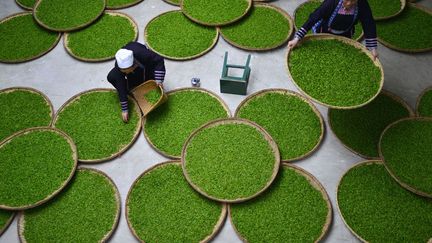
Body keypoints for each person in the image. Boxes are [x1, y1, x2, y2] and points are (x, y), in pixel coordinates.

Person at [288, 0, 378, 60]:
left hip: (346, 33)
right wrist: (297, 38)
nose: (349, 3)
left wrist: (372, 48)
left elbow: (368, 23)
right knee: (322, 54)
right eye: (346, 0)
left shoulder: (362, 4)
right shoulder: (331, 2)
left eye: (353, 0)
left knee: (340, 56)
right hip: (325, 31)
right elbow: (314, 18)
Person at [108, 42, 166, 122]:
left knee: (148, 76)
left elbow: (159, 60)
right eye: (123, 71)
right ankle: (135, 88)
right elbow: (120, 86)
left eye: (126, 71)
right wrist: (125, 109)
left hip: (147, 66)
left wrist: (159, 81)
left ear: (133, 65)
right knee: (112, 76)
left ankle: (147, 81)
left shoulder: (142, 54)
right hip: (133, 70)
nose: (125, 73)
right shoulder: (118, 66)